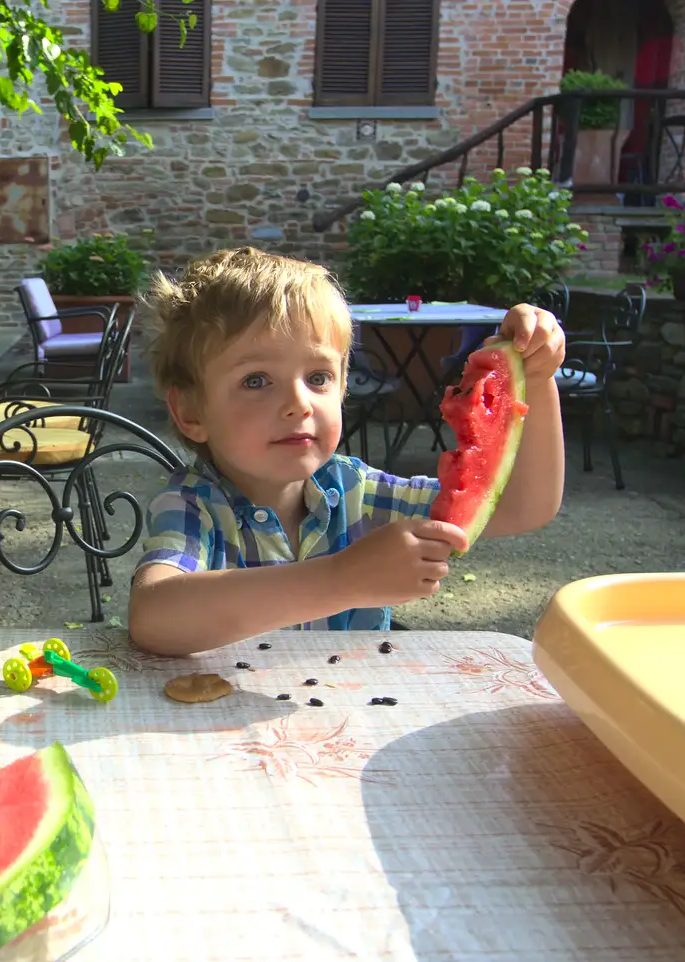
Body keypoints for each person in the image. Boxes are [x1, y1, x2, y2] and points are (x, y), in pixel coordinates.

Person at [127, 248, 566, 657]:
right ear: (189, 411)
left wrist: (538, 378)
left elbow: (520, 506)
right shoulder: (195, 505)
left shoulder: (358, 492)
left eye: (318, 377)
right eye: (256, 380)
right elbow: (153, 617)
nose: (299, 402)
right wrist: (342, 578)